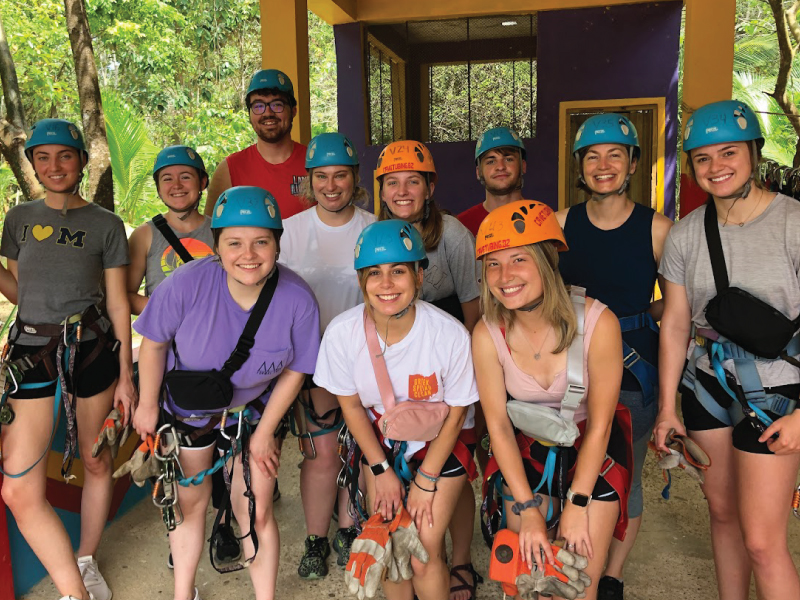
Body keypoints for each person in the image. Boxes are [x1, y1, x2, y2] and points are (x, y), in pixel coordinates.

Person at [132, 186, 320, 600]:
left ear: (277, 245)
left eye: (261, 242)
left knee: (255, 507)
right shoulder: (185, 284)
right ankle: (184, 594)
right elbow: (154, 343)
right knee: (190, 501)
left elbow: (299, 367)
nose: (248, 254)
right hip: (190, 409)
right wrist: (147, 405)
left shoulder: (296, 298)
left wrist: (267, 430)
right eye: (234, 242)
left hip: (253, 411)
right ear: (216, 246)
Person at [655, 99, 800, 600]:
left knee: (764, 541)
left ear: (754, 154)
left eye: (728, 153)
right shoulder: (686, 234)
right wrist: (666, 407)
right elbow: (675, 324)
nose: (715, 167)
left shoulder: (793, 223)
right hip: (708, 385)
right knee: (722, 514)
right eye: (702, 158)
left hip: (777, 393)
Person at [0, 118, 136, 600]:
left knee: (95, 462)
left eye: (64, 156)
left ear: (81, 161)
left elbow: (118, 301)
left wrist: (126, 376)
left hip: (92, 346)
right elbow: (22, 292)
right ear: (32, 163)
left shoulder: (105, 224)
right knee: (18, 489)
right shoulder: (18, 220)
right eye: (43, 157)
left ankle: (86, 559)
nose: (54, 166)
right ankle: (74, 589)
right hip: (32, 350)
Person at [473, 200, 632, 600]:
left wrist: (578, 504)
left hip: (591, 449)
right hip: (527, 449)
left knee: (574, 587)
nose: (504, 276)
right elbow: (498, 427)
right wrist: (528, 510)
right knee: (526, 583)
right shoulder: (487, 333)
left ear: (546, 261)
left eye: (518, 260)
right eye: (493, 263)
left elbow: (600, 424)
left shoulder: (599, 323)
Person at [314, 219, 479, 600]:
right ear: (361, 281)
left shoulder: (449, 333)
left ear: (420, 276)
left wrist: (425, 481)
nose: (386, 284)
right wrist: (380, 470)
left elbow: (456, 415)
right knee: (387, 542)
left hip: (441, 444)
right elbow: (352, 406)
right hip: (383, 445)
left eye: (399, 271)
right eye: (374, 273)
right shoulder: (342, 334)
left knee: (422, 549)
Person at [555, 113, 672, 600]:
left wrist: (639, 317)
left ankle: (612, 574)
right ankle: (570, 550)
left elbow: (679, 304)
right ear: (580, 167)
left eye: (615, 155)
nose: (603, 165)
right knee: (569, 464)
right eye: (592, 157)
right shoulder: (561, 224)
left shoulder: (658, 228)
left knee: (626, 473)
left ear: (633, 165)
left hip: (633, 369)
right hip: (568, 366)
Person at [376, 140, 482, 599]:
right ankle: (413, 551)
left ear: (430, 187)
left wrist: (471, 377)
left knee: (455, 465)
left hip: (449, 359)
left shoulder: (454, 235)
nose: (402, 191)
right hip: (397, 364)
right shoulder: (374, 235)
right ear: (380, 190)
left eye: (412, 182)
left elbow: (474, 310)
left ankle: (458, 560)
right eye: (392, 183)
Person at [127, 145, 242, 566]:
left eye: (186, 177)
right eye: (167, 179)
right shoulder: (145, 235)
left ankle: (225, 524)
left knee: (227, 446)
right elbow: (125, 294)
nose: (177, 186)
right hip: (167, 359)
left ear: (203, 182)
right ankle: (183, 531)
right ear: (157, 187)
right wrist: (169, 315)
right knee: (176, 453)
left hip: (221, 357)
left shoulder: (222, 229)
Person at [279, 132, 376, 578]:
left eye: (340, 175)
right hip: (311, 365)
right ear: (309, 181)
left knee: (359, 448)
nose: (331, 185)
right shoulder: (289, 232)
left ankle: (348, 526)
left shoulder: (373, 228)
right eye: (322, 176)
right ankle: (315, 537)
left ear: (355, 179)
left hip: (368, 363)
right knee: (321, 454)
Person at [204, 69, 308, 220]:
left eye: (277, 105)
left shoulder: (314, 163)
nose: (268, 113)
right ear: (250, 114)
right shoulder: (229, 169)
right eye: (258, 106)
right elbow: (211, 235)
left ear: (293, 111)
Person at [457, 126, 527, 236]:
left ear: (523, 166)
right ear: (478, 172)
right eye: (491, 162)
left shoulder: (543, 218)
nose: (500, 167)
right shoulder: (461, 227)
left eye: (508, 159)